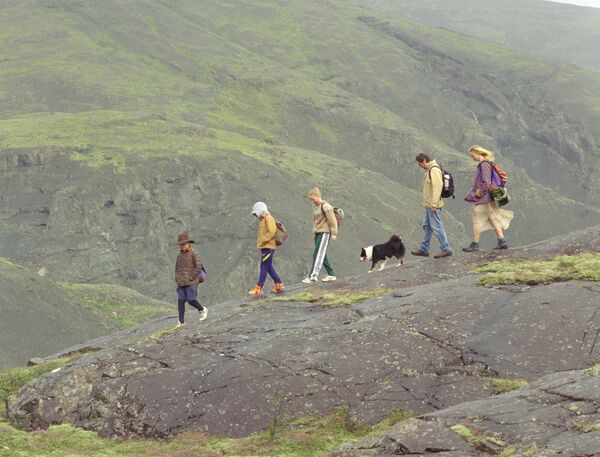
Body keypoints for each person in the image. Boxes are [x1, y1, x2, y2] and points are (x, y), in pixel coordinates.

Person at [463, 145, 514, 252]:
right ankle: (502, 241)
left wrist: (478, 193)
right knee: (493, 218)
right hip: (488, 198)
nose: (472, 158)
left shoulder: (484, 164)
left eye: (473, 155)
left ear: (478, 153)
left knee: (476, 220)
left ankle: (475, 244)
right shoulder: (487, 163)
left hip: (484, 198)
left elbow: (486, 182)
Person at [411, 153, 453, 259]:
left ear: (424, 161)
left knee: (437, 226)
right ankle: (424, 249)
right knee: (427, 226)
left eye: (420, 164)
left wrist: (434, 203)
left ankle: (446, 249)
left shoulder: (434, 170)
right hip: (429, 205)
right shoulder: (430, 170)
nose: (420, 166)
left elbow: (437, 187)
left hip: (433, 205)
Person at [303, 187, 338, 283]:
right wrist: (314, 232)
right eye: (311, 199)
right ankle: (331, 274)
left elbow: (332, 221)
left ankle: (312, 276)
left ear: (318, 196)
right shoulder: (314, 206)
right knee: (322, 254)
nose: (312, 201)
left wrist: (334, 233)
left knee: (317, 254)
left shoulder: (326, 207)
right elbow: (315, 220)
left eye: (313, 199)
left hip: (325, 233)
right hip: (318, 232)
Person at [248, 202, 284, 295]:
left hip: (268, 247)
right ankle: (278, 283)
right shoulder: (263, 219)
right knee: (268, 267)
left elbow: (272, 231)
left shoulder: (268, 218)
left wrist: (264, 240)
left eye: (256, 213)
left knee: (264, 266)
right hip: (265, 247)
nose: (256, 215)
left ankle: (259, 287)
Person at [175, 232, 207, 327]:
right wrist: (177, 278)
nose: (182, 246)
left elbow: (198, 266)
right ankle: (181, 322)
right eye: (181, 244)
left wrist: (191, 277)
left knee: (191, 299)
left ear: (188, 243)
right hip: (181, 283)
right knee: (181, 301)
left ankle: (202, 309)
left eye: (183, 244)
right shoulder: (179, 256)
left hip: (192, 281)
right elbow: (177, 268)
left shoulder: (193, 253)